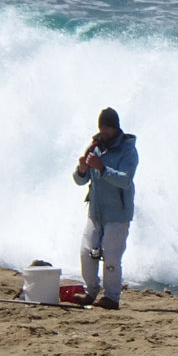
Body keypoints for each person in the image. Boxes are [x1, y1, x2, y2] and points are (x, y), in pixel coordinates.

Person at [73, 107, 138, 310]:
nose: (104, 133)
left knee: (111, 255)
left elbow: (125, 180)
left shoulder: (128, 150)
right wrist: (82, 170)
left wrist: (102, 168)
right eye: (102, 128)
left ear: (116, 128)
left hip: (118, 213)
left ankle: (111, 297)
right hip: (96, 211)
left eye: (108, 129)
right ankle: (90, 290)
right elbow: (79, 180)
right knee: (86, 252)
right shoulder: (95, 146)